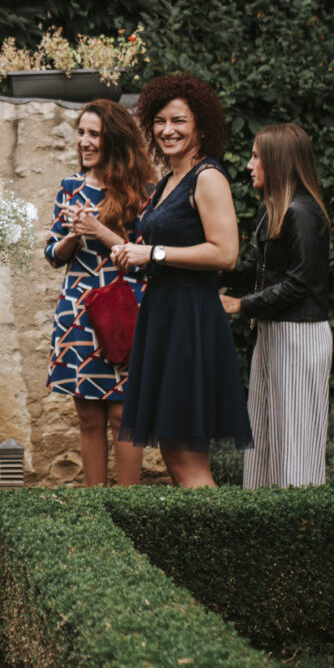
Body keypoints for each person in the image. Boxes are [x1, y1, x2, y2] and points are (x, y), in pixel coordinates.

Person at [113, 74, 253, 487]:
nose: (167, 130)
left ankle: (219, 531)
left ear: (200, 126)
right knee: (174, 455)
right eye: (159, 121)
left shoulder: (207, 177)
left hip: (190, 321)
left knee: (188, 461)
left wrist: (153, 253)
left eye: (178, 121)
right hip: (164, 315)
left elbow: (226, 253)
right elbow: (174, 248)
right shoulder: (169, 181)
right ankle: (200, 530)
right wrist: (136, 256)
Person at [44, 99, 154, 486]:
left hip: (124, 311)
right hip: (78, 310)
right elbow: (52, 254)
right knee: (88, 416)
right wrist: (72, 238)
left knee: (124, 415)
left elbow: (147, 259)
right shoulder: (70, 187)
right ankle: (94, 508)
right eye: (81, 133)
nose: (85, 141)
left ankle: (126, 506)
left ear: (115, 139)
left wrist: (99, 231)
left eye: (95, 134)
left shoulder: (143, 192)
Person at [220, 123, 332, 489]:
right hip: (273, 332)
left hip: (300, 336)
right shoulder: (272, 210)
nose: (249, 165)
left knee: (295, 441)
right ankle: (263, 512)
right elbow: (257, 269)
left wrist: (241, 305)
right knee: (264, 435)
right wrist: (208, 271)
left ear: (278, 161)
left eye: (256, 156)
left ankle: (300, 515)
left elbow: (299, 284)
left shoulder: (302, 212)